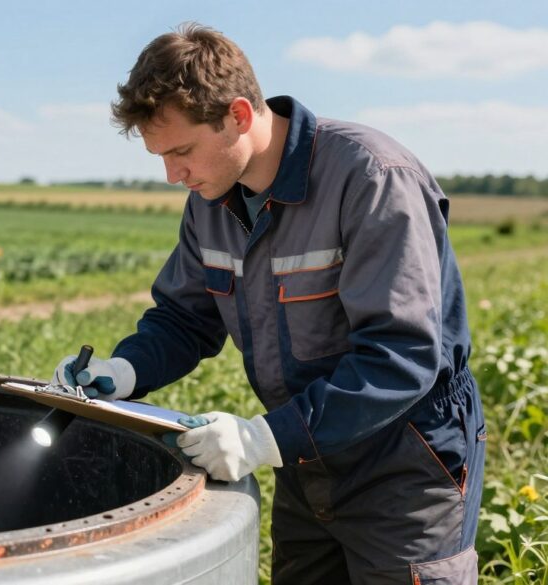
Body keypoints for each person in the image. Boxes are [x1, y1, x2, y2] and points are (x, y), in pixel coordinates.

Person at [51, 23, 485, 585]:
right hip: (305, 459)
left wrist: (263, 438)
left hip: (402, 462)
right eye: (161, 156)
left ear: (237, 114)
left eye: (182, 151)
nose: (172, 175)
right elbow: (185, 317)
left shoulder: (371, 178)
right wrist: (125, 369)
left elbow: (400, 355)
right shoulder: (209, 200)